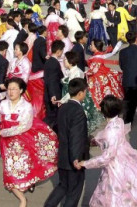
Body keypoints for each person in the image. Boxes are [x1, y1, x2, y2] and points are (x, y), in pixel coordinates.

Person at [77, 96, 137, 207]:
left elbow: (106, 158)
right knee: (125, 194)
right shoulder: (119, 121)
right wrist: (98, 141)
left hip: (114, 168)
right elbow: (115, 140)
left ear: (104, 111)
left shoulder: (110, 131)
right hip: (125, 162)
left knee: (113, 196)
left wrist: (85, 163)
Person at [0, 77, 59, 206]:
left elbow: (24, 126)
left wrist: (2, 132)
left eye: (14, 89)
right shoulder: (3, 104)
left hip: (22, 142)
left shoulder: (26, 107)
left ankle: (27, 187)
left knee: (25, 166)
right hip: (6, 144)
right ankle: (22, 198)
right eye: (9, 89)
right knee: (9, 171)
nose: (11, 91)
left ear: (21, 90)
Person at [44, 78, 90, 207]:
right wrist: (76, 158)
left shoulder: (63, 107)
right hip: (73, 159)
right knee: (73, 192)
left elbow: (57, 128)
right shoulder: (78, 111)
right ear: (80, 93)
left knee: (63, 186)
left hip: (63, 156)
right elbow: (75, 137)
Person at [57, 50, 105, 135]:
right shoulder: (70, 71)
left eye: (65, 60)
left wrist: (62, 100)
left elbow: (73, 90)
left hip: (78, 99)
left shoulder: (77, 73)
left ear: (70, 62)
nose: (64, 61)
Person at [43, 40, 65, 130]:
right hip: (54, 94)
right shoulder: (54, 63)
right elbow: (52, 80)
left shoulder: (49, 61)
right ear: (59, 51)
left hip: (49, 93)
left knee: (52, 117)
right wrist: (53, 95)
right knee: (53, 118)